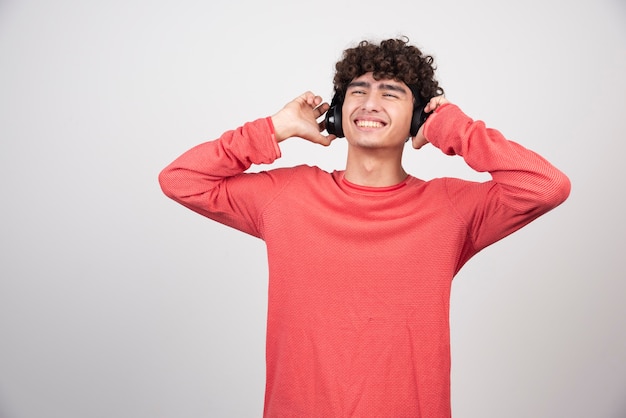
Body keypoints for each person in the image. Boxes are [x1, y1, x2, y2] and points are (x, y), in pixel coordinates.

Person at [159, 37, 570, 417]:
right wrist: (271, 129)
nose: (370, 103)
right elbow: (180, 179)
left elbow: (546, 186)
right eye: (358, 92)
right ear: (337, 115)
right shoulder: (287, 195)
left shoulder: (450, 208)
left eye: (391, 94)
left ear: (417, 118)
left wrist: (457, 130)